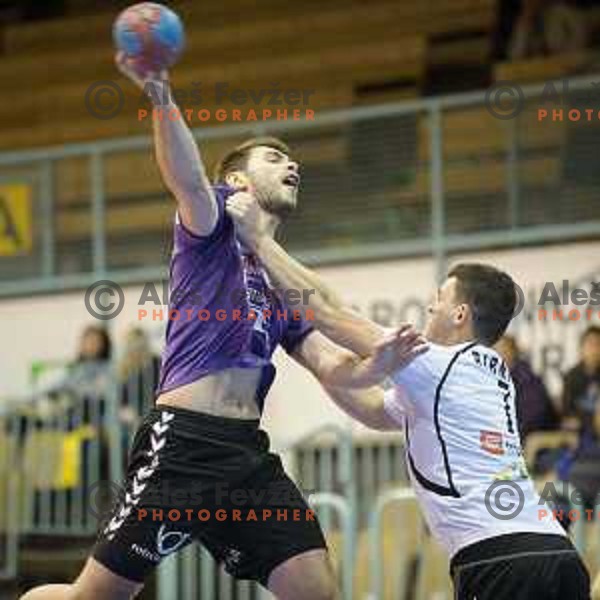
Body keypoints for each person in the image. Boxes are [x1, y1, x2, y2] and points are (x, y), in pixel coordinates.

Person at [19, 55, 425, 600]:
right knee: (93, 597)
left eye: (293, 160)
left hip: (247, 458)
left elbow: (332, 366)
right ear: (236, 180)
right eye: (275, 158)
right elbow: (184, 174)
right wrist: (160, 94)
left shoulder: (281, 277)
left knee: (316, 591)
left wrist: (382, 364)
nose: (292, 165)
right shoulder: (211, 222)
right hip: (183, 445)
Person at [224, 193, 591, 599]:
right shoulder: (484, 371)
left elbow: (329, 310)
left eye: (437, 301)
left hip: (501, 561)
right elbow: (374, 410)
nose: (429, 309)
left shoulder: (439, 364)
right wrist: (306, 350)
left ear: (460, 315)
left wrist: (260, 241)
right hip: (554, 554)